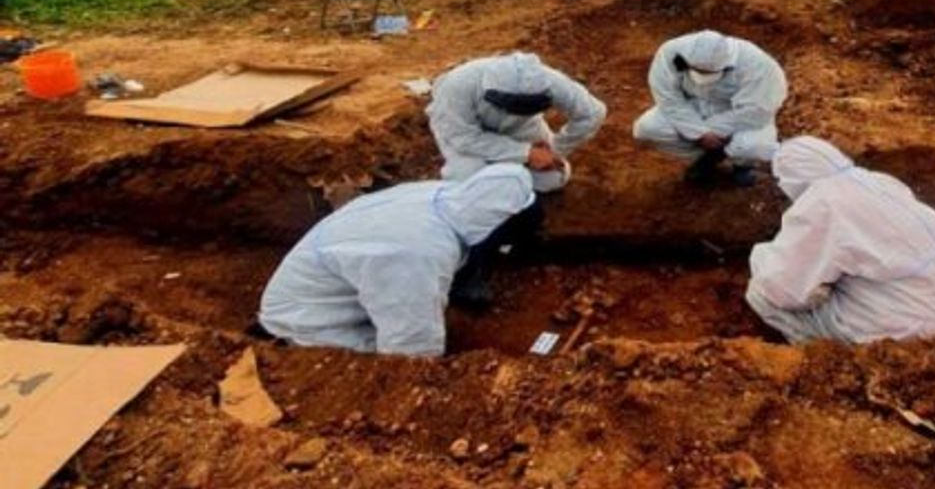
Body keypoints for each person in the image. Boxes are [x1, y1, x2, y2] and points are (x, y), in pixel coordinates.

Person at [258, 165, 543, 357]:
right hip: (308, 321)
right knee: (376, 360)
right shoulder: (416, 254)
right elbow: (408, 351)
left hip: (335, 281)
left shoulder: (444, 195)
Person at [747, 137, 935, 345]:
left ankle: (822, 357)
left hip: (914, 333)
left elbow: (783, 290)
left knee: (761, 292)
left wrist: (761, 259)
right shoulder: (877, 181)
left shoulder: (823, 203)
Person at [427, 52, 606, 193]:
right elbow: (463, 138)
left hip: (520, 128)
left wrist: (555, 149)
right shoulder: (457, 86)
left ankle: (511, 180)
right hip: (466, 135)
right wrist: (526, 153)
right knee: (469, 183)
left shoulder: (550, 81)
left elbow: (592, 113)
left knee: (552, 179)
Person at [632, 30, 787, 187]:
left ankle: (742, 165)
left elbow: (756, 111)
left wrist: (717, 130)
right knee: (647, 128)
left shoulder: (756, 64)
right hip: (695, 106)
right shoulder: (670, 53)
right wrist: (700, 133)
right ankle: (706, 159)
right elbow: (668, 98)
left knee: (753, 146)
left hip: (740, 115)